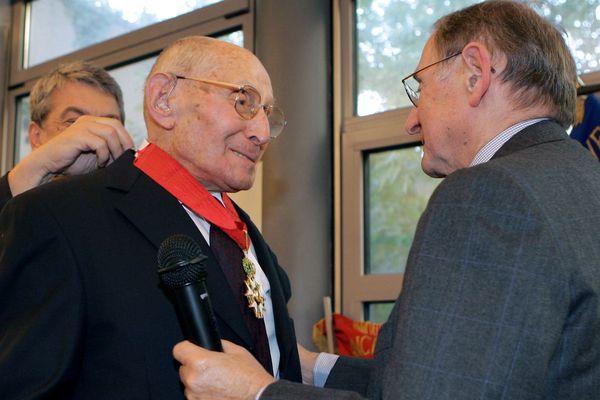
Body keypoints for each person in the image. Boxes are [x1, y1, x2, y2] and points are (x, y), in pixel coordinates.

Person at [171, 1, 600, 399]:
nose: (412, 120)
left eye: (420, 88)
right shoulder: (580, 181)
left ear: (475, 73)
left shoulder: (488, 195)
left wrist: (258, 394)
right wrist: (307, 366)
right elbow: (460, 372)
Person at [0, 36, 301, 398]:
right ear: (164, 100)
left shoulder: (246, 236)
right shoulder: (58, 219)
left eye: (268, 114)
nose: (262, 133)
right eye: (243, 102)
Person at [0, 60, 134, 210]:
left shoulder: (137, 209)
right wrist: (35, 169)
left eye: (108, 124)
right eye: (73, 122)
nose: (97, 136)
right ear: (36, 137)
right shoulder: (23, 214)